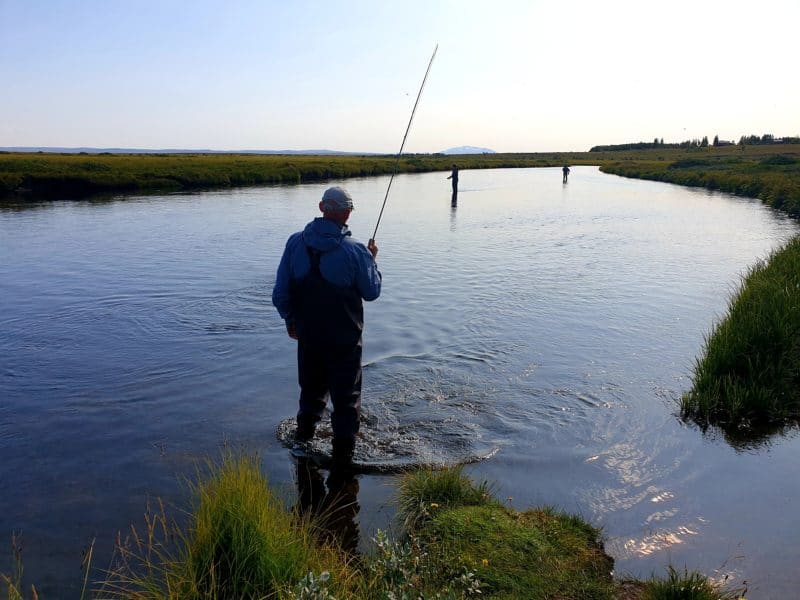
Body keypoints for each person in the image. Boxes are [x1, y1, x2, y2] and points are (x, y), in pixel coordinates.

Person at [272, 186, 381, 464]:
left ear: (322, 208)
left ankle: (302, 445)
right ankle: (344, 460)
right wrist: (372, 261)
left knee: (310, 392)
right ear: (347, 213)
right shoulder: (357, 250)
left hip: (309, 336)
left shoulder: (295, 243)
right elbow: (371, 292)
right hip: (345, 340)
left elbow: (280, 294)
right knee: (346, 401)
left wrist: (290, 320)